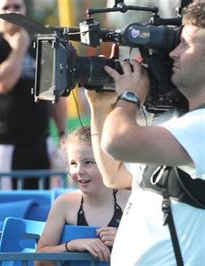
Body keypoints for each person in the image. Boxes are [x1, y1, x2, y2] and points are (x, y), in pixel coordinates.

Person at [86, 2, 205, 265]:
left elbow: (117, 142)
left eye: (186, 44)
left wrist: (129, 97)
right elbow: (115, 175)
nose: (173, 53)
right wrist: (100, 106)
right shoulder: (173, 119)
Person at [0, 0, 67, 190]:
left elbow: (55, 94)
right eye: (6, 8)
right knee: (7, 206)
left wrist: (62, 133)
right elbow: (3, 84)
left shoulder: (43, 46)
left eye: (17, 7)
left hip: (40, 140)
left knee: (44, 203)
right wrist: (19, 48)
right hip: (4, 144)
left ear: (25, 10)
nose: (12, 12)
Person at [35, 126, 130, 264]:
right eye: (73, 163)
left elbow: (159, 250)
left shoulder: (131, 201)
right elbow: (40, 259)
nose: (79, 170)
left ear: (108, 163)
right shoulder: (64, 204)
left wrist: (127, 241)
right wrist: (72, 245)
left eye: (88, 162)